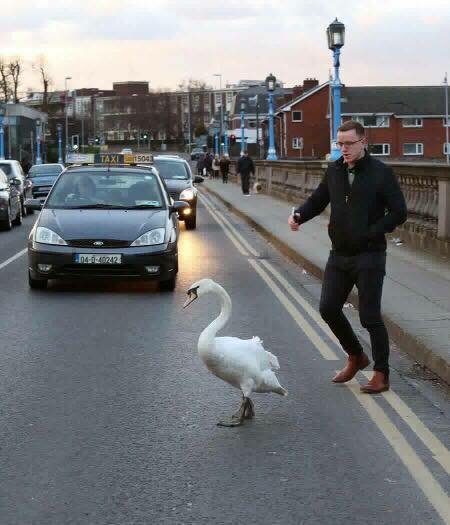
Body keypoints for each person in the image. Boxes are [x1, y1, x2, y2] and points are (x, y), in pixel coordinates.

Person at [288, 120, 407, 394]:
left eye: (349, 143)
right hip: (339, 255)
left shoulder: (381, 173)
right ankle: (356, 356)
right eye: (340, 144)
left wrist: (371, 232)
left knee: (369, 316)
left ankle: (381, 373)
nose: (344, 149)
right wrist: (299, 215)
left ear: (364, 142)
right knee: (328, 308)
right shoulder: (335, 170)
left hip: (370, 255)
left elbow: (399, 212)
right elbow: (318, 200)